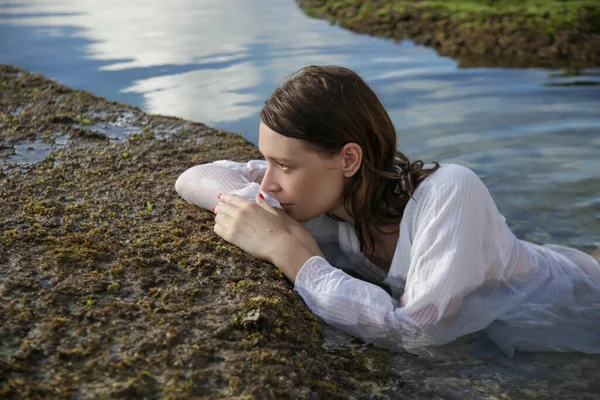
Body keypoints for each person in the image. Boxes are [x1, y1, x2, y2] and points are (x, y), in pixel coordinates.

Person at [175, 65, 600, 357]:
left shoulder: (452, 190)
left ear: (348, 159)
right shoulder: (317, 205)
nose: (266, 185)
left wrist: (297, 258)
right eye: (266, 161)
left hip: (578, 301)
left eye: (285, 165)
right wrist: (255, 217)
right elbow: (195, 176)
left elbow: (417, 333)